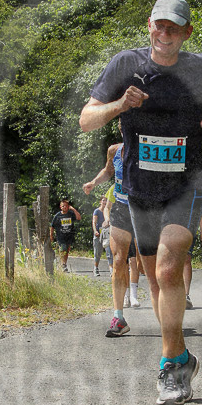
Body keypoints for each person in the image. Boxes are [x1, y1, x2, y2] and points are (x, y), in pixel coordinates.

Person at [80, 0, 202, 405]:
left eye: (174, 28)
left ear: (187, 32)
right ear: (149, 25)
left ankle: (169, 367)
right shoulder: (125, 65)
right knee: (152, 281)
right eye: (159, 26)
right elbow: (86, 119)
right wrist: (119, 104)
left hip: (187, 182)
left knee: (168, 271)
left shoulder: (201, 68)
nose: (165, 34)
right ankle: (182, 354)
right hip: (139, 187)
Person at [84, 142, 142, 335]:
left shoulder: (148, 147)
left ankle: (166, 315)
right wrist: (94, 182)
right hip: (121, 208)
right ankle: (118, 318)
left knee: (148, 263)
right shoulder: (114, 150)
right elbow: (108, 171)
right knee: (118, 261)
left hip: (145, 210)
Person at [50, 198, 81, 272]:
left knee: (67, 250)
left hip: (69, 235)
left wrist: (73, 209)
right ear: (60, 207)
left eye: (66, 206)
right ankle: (63, 264)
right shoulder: (58, 216)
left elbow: (78, 218)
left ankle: (64, 264)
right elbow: (52, 226)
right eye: (63, 206)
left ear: (68, 206)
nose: (65, 207)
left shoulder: (70, 214)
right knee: (63, 249)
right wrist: (51, 235)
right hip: (61, 236)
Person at [184, 211, 202, 309]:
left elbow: (200, 210)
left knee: (186, 259)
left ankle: (186, 296)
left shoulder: (195, 195)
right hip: (171, 227)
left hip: (189, 229)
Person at [89, 196, 107, 276]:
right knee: (97, 253)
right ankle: (96, 268)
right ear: (100, 202)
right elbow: (94, 222)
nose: (105, 202)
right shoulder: (97, 211)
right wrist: (95, 231)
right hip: (98, 234)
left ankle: (112, 270)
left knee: (110, 252)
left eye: (106, 200)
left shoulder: (109, 211)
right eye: (103, 200)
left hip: (107, 234)